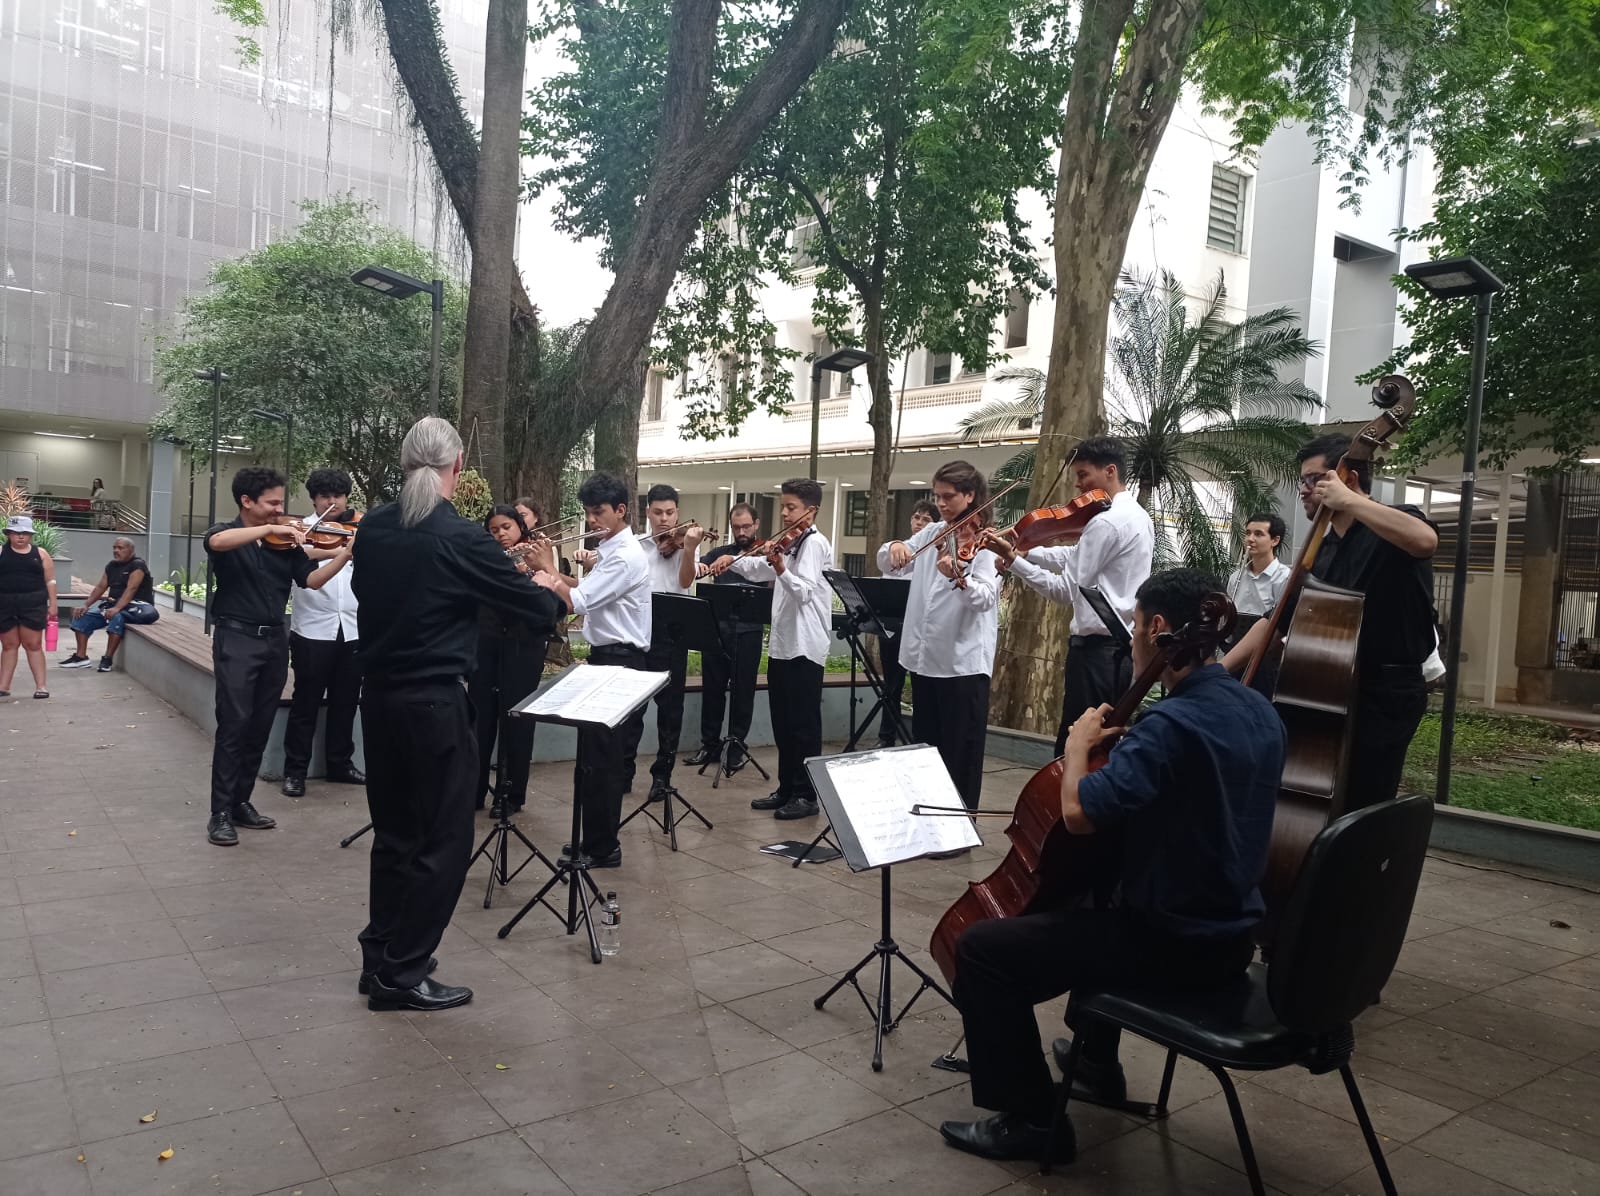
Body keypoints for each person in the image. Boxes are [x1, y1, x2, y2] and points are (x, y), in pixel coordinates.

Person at [938, 568, 1284, 1162]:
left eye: (1134, 627)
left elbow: (1076, 814)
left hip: (1170, 942)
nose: (1132, 640)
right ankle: (1096, 1062)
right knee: (1098, 893)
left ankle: (1031, 1120)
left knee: (983, 951)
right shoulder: (1260, 712)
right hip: (1233, 935)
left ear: (1157, 628)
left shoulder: (1168, 726)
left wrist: (1076, 747)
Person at [351, 418, 560, 1012]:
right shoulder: (459, 535)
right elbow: (536, 609)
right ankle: (404, 971)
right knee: (443, 840)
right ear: (458, 466)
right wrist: (543, 580)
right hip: (434, 703)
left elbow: (379, 596)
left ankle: (383, 957)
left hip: (381, 698)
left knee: (393, 835)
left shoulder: (375, 526)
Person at [1222, 434, 1438, 808]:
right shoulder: (1319, 550)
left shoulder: (1396, 523)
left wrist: (1351, 502)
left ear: (1347, 479)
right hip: (1328, 688)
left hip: (1386, 692)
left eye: (1312, 480)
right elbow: (1273, 624)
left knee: (1363, 800)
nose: (1303, 490)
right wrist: (1219, 671)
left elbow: (1425, 540)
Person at [203, 468, 352, 847]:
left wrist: (346, 553)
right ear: (246, 501)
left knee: (259, 725)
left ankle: (241, 801)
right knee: (234, 724)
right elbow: (218, 542)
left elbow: (312, 580)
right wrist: (268, 530)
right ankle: (219, 812)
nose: (280, 509)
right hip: (236, 638)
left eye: (280, 502)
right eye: (272, 502)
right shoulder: (231, 533)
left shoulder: (283, 546)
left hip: (273, 642)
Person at [988, 437, 1153, 756]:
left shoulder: (1104, 523)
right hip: (1120, 652)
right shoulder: (1138, 517)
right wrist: (1029, 551)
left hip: (1094, 653)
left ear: (1110, 471)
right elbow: (1076, 558)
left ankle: (1064, 805)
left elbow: (1064, 590)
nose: (1078, 485)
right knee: (1101, 745)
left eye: (1082, 475)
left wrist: (1013, 561)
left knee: (1076, 747)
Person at [531, 473, 651, 866]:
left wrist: (546, 567)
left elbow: (578, 602)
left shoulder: (627, 554)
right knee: (593, 756)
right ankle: (593, 838)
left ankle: (604, 847)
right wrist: (550, 572)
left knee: (605, 757)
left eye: (598, 512)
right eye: (587, 513)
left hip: (621, 659)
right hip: (607, 656)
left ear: (621, 510)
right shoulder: (611, 549)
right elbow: (585, 589)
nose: (592, 521)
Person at [709, 478, 833, 820]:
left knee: (803, 724)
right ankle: (787, 787)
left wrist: (781, 569)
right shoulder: (789, 544)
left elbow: (805, 591)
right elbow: (755, 567)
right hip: (782, 644)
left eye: (791, 507)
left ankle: (806, 795)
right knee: (783, 721)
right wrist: (731, 560)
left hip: (806, 645)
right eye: (783, 506)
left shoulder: (815, 544)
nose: (784, 512)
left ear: (811, 510)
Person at [880, 465, 998, 823]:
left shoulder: (986, 543)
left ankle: (960, 823)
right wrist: (896, 546)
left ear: (970, 496)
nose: (941, 504)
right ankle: (930, 815)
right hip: (925, 656)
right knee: (926, 744)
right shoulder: (932, 531)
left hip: (962, 660)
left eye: (948, 497)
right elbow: (891, 563)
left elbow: (987, 598)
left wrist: (960, 579)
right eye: (937, 496)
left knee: (959, 749)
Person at [280, 470, 365, 797]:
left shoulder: (359, 529)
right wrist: (340, 551)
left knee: (346, 703)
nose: (333, 502)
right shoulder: (299, 532)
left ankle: (340, 764)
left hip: (353, 629)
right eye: (326, 496)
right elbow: (303, 563)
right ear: (314, 498)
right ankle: (295, 771)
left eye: (339, 495)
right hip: (313, 629)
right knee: (306, 702)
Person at [469, 504, 549, 817]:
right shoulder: (486, 560)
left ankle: (511, 792)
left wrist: (525, 574)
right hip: (486, 643)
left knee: (517, 720)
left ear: (520, 528)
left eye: (507, 527)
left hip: (524, 646)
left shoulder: (537, 557)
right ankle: (473, 790)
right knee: (480, 718)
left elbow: (548, 603)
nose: (501, 534)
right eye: (494, 530)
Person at [628, 483, 703, 806]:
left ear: (677, 513)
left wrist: (688, 549)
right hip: (641, 631)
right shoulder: (634, 545)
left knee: (670, 711)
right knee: (633, 710)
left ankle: (662, 776)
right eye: (657, 512)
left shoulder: (687, 542)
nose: (664, 519)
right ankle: (623, 772)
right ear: (648, 513)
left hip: (673, 633)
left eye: (670, 512)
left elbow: (686, 581)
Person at [686, 502, 769, 770]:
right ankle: (709, 745)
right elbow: (699, 566)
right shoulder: (721, 552)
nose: (741, 532)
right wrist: (698, 566)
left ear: (756, 524)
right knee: (712, 690)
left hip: (749, 633)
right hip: (718, 632)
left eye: (746, 526)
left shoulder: (765, 554)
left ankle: (736, 748)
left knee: (743, 692)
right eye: (736, 527)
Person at [875, 499, 937, 748]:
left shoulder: (934, 551)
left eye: (926, 520)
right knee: (891, 684)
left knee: (922, 687)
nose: (919, 523)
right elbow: (887, 565)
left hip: (922, 629)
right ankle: (885, 737)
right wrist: (895, 546)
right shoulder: (901, 548)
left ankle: (918, 742)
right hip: (893, 623)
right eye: (916, 518)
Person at [61, 537, 159, 672]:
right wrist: (86, 605)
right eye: (114, 547)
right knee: (81, 616)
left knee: (116, 617)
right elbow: (101, 587)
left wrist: (117, 608)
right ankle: (81, 657)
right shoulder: (111, 566)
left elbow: (132, 589)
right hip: (112, 604)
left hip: (136, 606)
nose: (116, 551)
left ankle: (107, 659)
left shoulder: (137, 565)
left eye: (120, 548)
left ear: (131, 550)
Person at [0, 515, 55, 699]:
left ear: (30, 535)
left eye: (24, 533)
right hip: (5, 605)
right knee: (9, 645)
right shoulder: (1, 552)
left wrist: (53, 605)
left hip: (33, 604)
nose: (20, 537)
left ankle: (41, 686)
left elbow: (50, 581)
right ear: (8, 534)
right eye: (16, 533)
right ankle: (4, 686)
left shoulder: (41, 554)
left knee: (33, 644)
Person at [1223, 512, 1290, 650]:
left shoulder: (1284, 577)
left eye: (1258, 534)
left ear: (1275, 540)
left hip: (1266, 651)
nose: (1250, 539)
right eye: (1248, 533)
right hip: (1233, 647)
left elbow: (1283, 624)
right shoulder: (1235, 577)